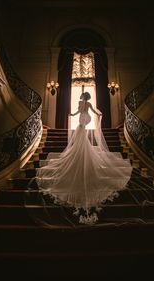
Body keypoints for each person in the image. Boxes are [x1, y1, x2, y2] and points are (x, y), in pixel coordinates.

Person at [33, 91, 133, 224]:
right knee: (81, 137)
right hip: (83, 121)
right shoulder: (83, 103)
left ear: (85, 97)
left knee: (82, 136)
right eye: (84, 97)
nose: (83, 98)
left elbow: (88, 111)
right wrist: (74, 115)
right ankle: (80, 152)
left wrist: (96, 114)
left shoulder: (85, 103)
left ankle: (80, 152)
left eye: (84, 97)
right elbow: (80, 111)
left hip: (84, 120)